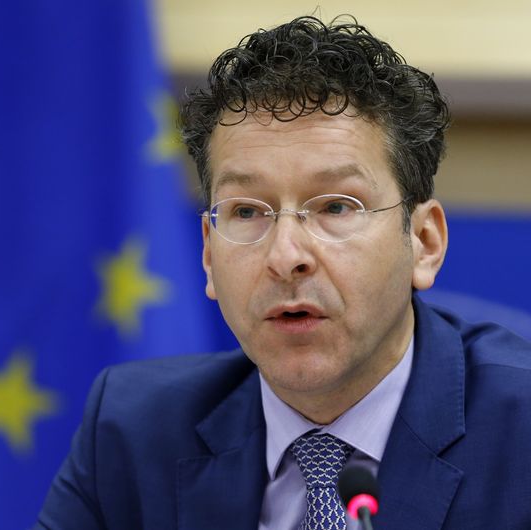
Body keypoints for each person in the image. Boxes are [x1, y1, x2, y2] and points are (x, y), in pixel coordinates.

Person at [36, 15, 531, 530]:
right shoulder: (133, 432)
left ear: (424, 242)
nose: (286, 255)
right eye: (247, 212)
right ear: (208, 254)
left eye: (336, 207)